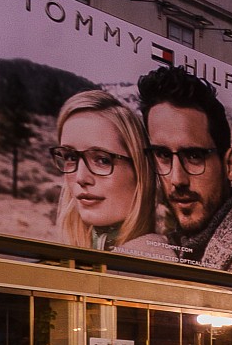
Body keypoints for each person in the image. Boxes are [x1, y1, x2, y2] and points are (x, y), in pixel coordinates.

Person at [137, 66, 232, 278]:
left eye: (194, 156)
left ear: (229, 165)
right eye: (163, 155)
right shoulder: (175, 248)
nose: (177, 179)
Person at [50, 89, 179, 259]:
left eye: (102, 160)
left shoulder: (152, 260)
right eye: (70, 157)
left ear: (139, 170)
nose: (81, 178)